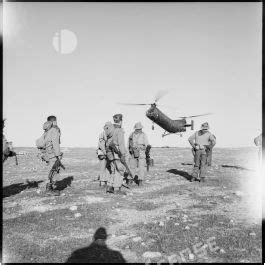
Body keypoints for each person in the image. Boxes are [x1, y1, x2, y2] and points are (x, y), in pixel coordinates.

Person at [36, 115, 63, 195]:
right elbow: (55, 143)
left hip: (47, 154)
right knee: (53, 171)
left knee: (51, 170)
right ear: (54, 121)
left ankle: (49, 188)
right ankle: (49, 189)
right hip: (52, 154)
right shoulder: (54, 130)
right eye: (56, 121)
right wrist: (58, 155)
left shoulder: (47, 131)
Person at [105, 114, 127, 194]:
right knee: (119, 170)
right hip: (117, 153)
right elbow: (121, 144)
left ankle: (109, 186)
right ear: (121, 121)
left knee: (113, 170)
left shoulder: (110, 130)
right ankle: (117, 189)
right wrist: (123, 154)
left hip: (110, 153)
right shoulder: (119, 130)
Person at [128, 122, 150, 186]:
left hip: (141, 152)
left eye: (140, 129)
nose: (140, 130)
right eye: (138, 129)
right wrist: (131, 151)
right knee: (132, 167)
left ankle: (140, 181)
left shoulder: (144, 135)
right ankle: (130, 180)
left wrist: (145, 150)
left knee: (141, 167)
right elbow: (128, 144)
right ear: (136, 129)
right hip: (133, 152)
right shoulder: (131, 135)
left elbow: (147, 145)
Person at [96, 122, 112, 187]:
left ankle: (107, 181)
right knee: (103, 168)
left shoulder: (110, 134)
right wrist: (105, 153)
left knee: (108, 167)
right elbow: (101, 145)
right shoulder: (102, 134)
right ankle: (102, 182)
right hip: (103, 153)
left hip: (108, 153)